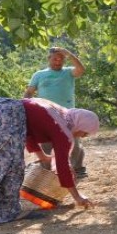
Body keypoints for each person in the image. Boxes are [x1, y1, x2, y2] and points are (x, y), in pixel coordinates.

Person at [0, 97, 99, 224]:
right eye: (85, 133)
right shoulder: (62, 130)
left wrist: (42, 156)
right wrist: (77, 196)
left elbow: (28, 131)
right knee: (9, 167)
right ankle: (3, 211)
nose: (81, 136)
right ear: (81, 124)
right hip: (6, 115)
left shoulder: (57, 113)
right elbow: (62, 167)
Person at [24, 46, 89, 177]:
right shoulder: (39, 75)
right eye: (55, 59)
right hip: (45, 115)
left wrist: (69, 53)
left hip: (67, 114)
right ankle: (48, 172)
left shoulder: (68, 72)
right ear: (49, 59)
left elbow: (81, 70)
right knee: (47, 145)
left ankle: (77, 169)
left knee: (73, 143)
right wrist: (24, 108)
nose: (58, 62)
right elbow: (29, 92)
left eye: (61, 59)